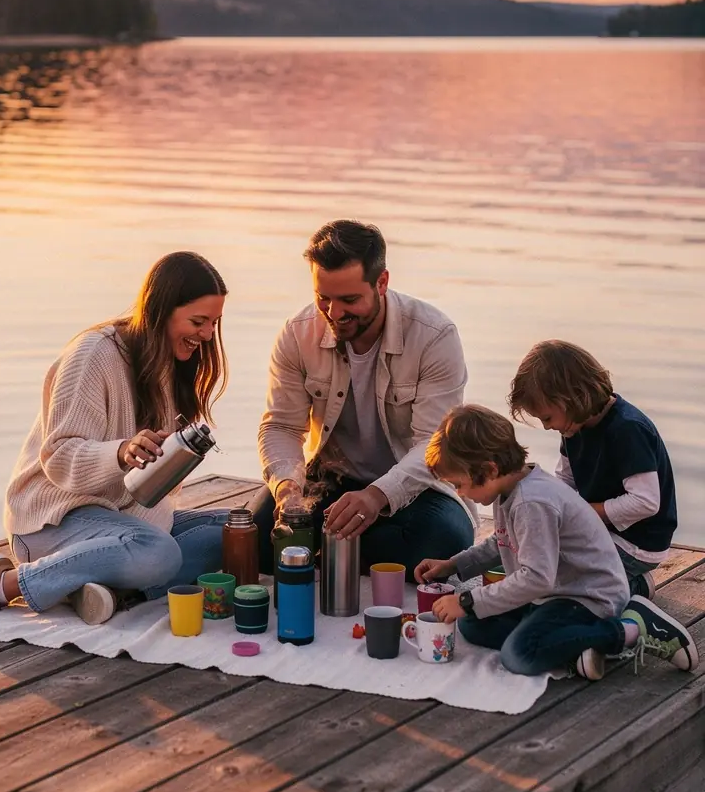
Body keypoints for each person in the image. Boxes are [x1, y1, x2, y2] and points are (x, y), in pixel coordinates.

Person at [0, 252, 231, 625]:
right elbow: (59, 455)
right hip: (53, 521)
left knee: (236, 531)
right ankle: (3, 584)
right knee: (161, 555)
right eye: (198, 322)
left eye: (214, 323)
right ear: (161, 310)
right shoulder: (94, 354)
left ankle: (103, 586)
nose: (207, 335)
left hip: (122, 520)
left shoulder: (172, 365)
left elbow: (145, 490)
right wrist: (121, 452)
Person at [252, 219, 475, 576]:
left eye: (349, 300)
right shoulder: (297, 334)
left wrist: (376, 496)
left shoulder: (435, 336)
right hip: (329, 479)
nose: (334, 313)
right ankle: (348, 548)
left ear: (381, 282)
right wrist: (287, 488)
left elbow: (434, 445)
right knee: (253, 537)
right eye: (323, 298)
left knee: (443, 541)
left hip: (415, 488)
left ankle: (332, 549)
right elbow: (280, 425)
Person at [414, 404, 698, 680]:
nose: (461, 494)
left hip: (587, 596)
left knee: (518, 655)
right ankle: (575, 649)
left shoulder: (532, 502)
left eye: (460, 485)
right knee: (472, 623)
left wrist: (466, 598)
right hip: (553, 595)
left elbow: (537, 578)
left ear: (488, 470)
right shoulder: (508, 489)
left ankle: (631, 628)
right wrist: (453, 565)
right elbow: (500, 543)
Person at [508, 340, 677, 602]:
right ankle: (615, 580)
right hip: (601, 533)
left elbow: (646, 502)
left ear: (572, 398)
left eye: (547, 418)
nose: (545, 427)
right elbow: (565, 479)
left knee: (557, 590)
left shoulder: (627, 429)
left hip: (636, 543)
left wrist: (584, 514)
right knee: (537, 567)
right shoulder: (574, 425)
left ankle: (636, 587)